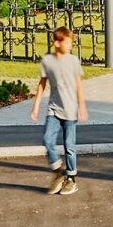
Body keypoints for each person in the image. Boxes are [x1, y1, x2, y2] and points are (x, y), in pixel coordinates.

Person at [33, 25, 86, 194]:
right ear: (57, 43)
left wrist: (82, 106)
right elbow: (42, 84)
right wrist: (35, 106)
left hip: (70, 111)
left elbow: (78, 84)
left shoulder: (73, 61)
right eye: (68, 42)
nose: (70, 45)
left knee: (69, 146)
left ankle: (71, 179)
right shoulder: (48, 61)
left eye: (71, 42)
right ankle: (58, 172)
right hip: (54, 110)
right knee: (47, 139)